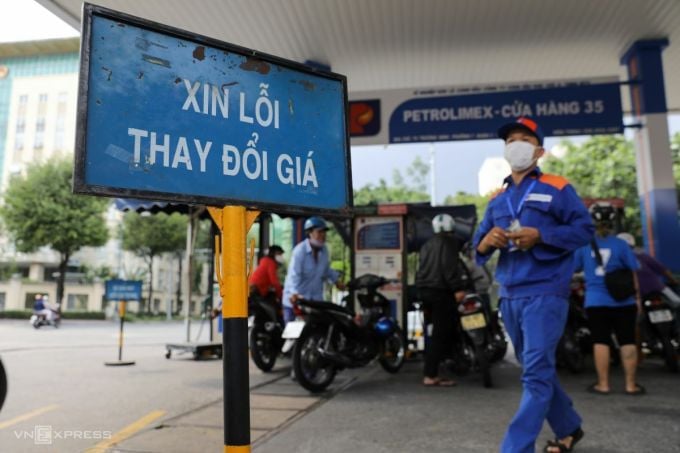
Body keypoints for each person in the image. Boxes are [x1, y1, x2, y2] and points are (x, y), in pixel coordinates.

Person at [474, 117, 593, 453]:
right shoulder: (498, 198)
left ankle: (515, 449)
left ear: (538, 151)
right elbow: (477, 245)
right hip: (510, 293)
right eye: (510, 139)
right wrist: (487, 242)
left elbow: (584, 230)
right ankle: (569, 427)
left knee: (536, 373)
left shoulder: (557, 187)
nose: (516, 145)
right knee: (534, 369)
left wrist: (542, 235)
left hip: (545, 290)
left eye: (524, 139)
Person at [573, 203, 643, 397]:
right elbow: (633, 272)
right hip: (624, 301)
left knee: (601, 341)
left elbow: (573, 269)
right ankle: (631, 385)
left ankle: (603, 384)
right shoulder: (621, 245)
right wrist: (637, 297)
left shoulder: (583, 245)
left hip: (596, 301)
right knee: (627, 340)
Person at [416, 213, 466, 387]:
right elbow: (448, 268)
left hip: (425, 292)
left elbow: (421, 269)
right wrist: (458, 288)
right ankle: (431, 374)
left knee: (436, 332)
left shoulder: (426, 245)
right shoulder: (451, 243)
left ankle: (438, 365)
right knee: (442, 332)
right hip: (441, 292)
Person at [282, 217, 344, 324]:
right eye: (319, 232)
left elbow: (326, 270)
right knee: (294, 337)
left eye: (324, 232)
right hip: (296, 303)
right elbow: (293, 275)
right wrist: (294, 293)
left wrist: (336, 281)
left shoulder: (324, 251)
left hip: (314, 303)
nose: (323, 235)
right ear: (310, 233)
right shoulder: (299, 251)